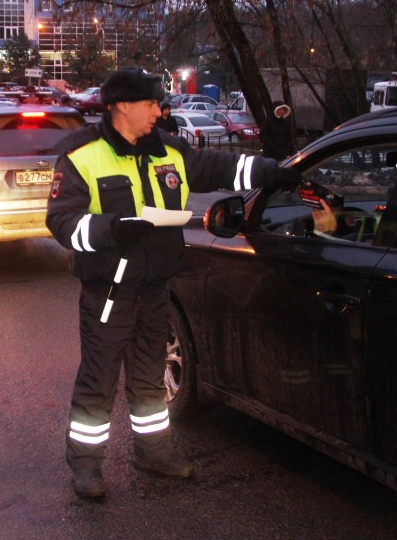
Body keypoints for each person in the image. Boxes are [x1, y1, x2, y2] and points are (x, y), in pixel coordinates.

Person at [45, 67, 301, 499]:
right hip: (108, 293)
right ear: (121, 105)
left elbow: (221, 166)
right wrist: (112, 230)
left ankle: (153, 452)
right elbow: (62, 223)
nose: (158, 111)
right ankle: (86, 466)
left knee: (149, 380)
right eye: (150, 103)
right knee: (98, 380)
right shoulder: (80, 154)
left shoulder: (169, 150)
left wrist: (269, 169)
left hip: (155, 289)